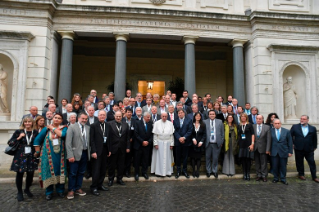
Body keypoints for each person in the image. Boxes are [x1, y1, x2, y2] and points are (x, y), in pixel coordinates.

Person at [34, 113, 68, 200]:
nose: (56, 119)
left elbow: (62, 135)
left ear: (61, 120)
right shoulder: (46, 129)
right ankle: (49, 192)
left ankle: (60, 191)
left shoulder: (64, 128)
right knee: (48, 172)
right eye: (55, 117)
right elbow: (37, 140)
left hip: (61, 156)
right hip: (48, 156)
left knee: (60, 171)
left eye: (59, 118)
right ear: (52, 119)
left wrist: (52, 128)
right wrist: (37, 151)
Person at [9, 117, 39, 201]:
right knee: (20, 173)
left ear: (32, 123)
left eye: (29, 121)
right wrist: (19, 137)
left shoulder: (35, 132)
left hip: (31, 155)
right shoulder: (18, 131)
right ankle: (19, 192)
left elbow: (38, 142)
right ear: (23, 123)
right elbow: (10, 142)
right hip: (20, 156)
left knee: (30, 173)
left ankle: (27, 189)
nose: (27, 123)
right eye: (26, 122)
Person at [65, 112, 90, 199]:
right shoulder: (72, 127)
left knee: (81, 172)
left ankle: (78, 188)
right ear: (78, 118)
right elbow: (68, 143)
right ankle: (71, 190)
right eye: (83, 118)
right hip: (74, 154)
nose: (84, 120)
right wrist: (70, 155)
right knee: (72, 173)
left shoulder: (87, 128)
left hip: (85, 153)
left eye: (86, 119)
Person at [290, 115, 319, 183]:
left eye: (304, 119)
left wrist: (314, 146)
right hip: (298, 148)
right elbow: (290, 136)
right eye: (301, 119)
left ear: (307, 120)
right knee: (299, 162)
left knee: (312, 162)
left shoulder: (312, 128)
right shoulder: (295, 127)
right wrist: (292, 144)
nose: (302, 120)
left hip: (309, 149)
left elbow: (315, 138)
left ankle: (314, 176)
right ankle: (301, 174)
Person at [107, 111, 130, 186]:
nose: (118, 118)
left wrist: (128, 147)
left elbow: (127, 137)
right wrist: (109, 149)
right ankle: (111, 179)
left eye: (119, 116)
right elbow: (108, 138)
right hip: (113, 148)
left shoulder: (126, 124)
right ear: (114, 116)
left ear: (122, 116)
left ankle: (119, 179)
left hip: (122, 148)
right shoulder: (109, 124)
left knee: (121, 165)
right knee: (112, 165)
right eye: (117, 116)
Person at [90, 110, 109, 196]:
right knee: (96, 170)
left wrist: (110, 150)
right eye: (100, 115)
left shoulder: (108, 125)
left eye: (103, 115)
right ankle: (94, 187)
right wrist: (93, 151)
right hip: (97, 151)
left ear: (105, 116)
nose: (102, 116)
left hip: (105, 151)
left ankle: (100, 184)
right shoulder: (93, 126)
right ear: (98, 116)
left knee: (103, 170)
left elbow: (110, 139)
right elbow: (92, 140)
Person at [151, 112, 175, 177]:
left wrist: (172, 144)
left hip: (168, 143)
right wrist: (155, 143)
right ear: (161, 116)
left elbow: (171, 135)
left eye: (165, 116)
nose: (164, 118)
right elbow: (155, 135)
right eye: (163, 116)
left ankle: (168, 172)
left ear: (167, 117)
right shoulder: (156, 123)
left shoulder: (170, 123)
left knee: (168, 158)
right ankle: (159, 172)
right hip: (159, 143)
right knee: (159, 158)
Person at [270, 119, 293, 185]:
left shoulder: (286, 131)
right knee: (275, 166)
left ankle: (283, 178)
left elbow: (290, 142)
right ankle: (276, 178)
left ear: (281, 124)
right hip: (274, 151)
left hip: (283, 151)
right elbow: (268, 142)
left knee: (283, 166)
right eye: (276, 123)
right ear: (273, 124)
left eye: (278, 123)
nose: (277, 125)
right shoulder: (270, 131)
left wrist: (290, 151)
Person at [204, 110, 224, 178]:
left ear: (215, 115)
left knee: (215, 158)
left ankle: (214, 171)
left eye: (213, 114)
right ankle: (208, 171)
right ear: (208, 115)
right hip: (208, 143)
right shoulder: (205, 122)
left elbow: (222, 133)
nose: (212, 115)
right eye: (210, 114)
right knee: (208, 158)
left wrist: (221, 141)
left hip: (216, 143)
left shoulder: (220, 121)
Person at [173, 109, 193, 179]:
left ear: (184, 113)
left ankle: (184, 171)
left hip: (186, 142)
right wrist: (179, 138)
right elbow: (174, 130)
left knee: (185, 157)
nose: (180, 114)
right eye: (179, 113)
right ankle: (178, 171)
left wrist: (184, 138)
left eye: (181, 113)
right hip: (178, 142)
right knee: (178, 157)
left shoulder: (189, 120)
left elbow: (190, 130)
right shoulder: (175, 121)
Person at [134, 112, 153, 181]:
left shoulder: (150, 123)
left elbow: (152, 134)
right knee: (137, 160)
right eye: (148, 117)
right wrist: (142, 141)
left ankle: (144, 172)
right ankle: (136, 173)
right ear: (144, 117)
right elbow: (136, 134)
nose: (149, 118)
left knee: (145, 160)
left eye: (149, 117)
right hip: (139, 145)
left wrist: (148, 141)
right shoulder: (137, 123)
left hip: (147, 145)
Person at [253, 115, 271, 182]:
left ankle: (264, 175)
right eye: (257, 119)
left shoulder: (267, 127)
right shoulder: (253, 126)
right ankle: (258, 175)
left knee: (263, 162)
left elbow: (269, 139)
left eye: (260, 119)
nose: (258, 120)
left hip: (263, 148)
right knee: (257, 162)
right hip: (255, 148)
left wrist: (268, 149)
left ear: (262, 119)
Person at [237, 113, 255, 181]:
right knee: (243, 160)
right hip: (242, 144)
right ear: (240, 118)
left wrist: (252, 144)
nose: (243, 118)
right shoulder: (239, 125)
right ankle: (244, 173)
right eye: (242, 116)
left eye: (244, 116)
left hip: (248, 144)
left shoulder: (249, 125)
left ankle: (248, 173)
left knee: (248, 160)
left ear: (246, 117)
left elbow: (253, 134)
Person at [189, 112, 206, 178]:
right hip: (193, 143)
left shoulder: (203, 124)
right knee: (193, 158)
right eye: (197, 116)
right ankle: (193, 170)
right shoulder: (191, 124)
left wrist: (201, 141)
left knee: (198, 158)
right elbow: (190, 132)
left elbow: (204, 134)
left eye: (199, 116)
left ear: (200, 117)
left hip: (199, 144)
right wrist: (193, 139)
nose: (198, 117)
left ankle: (197, 171)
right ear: (195, 117)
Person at [123, 108, 137, 178]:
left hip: (131, 142)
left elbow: (136, 131)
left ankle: (127, 172)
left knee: (129, 158)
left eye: (130, 112)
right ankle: (122, 172)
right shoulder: (122, 120)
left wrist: (132, 138)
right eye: (128, 112)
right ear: (125, 113)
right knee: (122, 158)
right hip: (123, 142)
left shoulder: (134, 121)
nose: (129, 114)